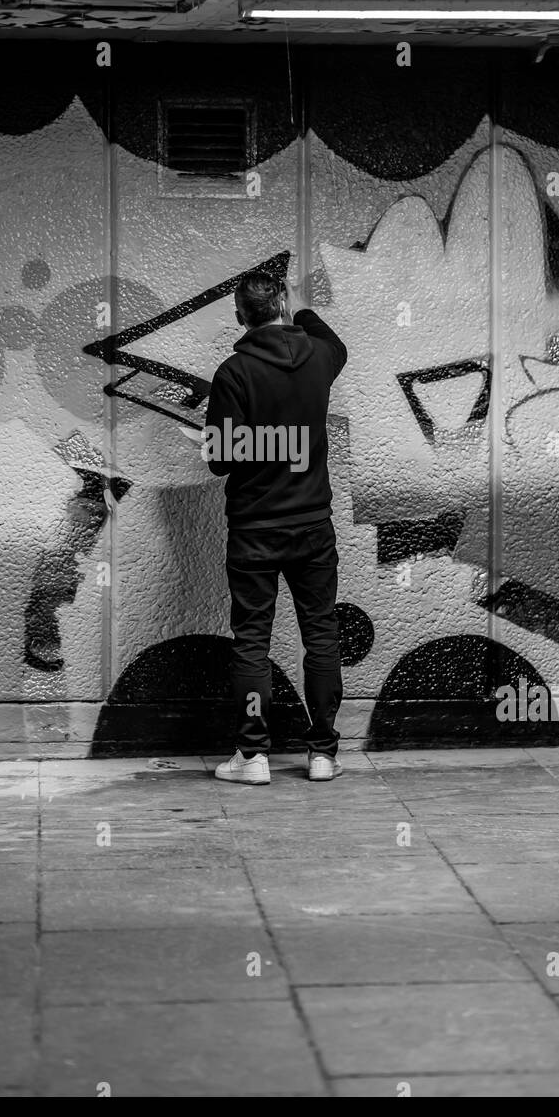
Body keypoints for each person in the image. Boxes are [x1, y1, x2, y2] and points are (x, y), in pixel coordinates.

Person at [203, 271, 347, 784]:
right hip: (313, 527)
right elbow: (334, 342)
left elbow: (221, 459)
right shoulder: (319, 357)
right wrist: (300, 310)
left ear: (240, 316)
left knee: (251, 642)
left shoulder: (234, 373)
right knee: (321, 634)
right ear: (283, 303)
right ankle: (323, 754)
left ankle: (253, 757)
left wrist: (254, 443)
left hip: (255, 531)